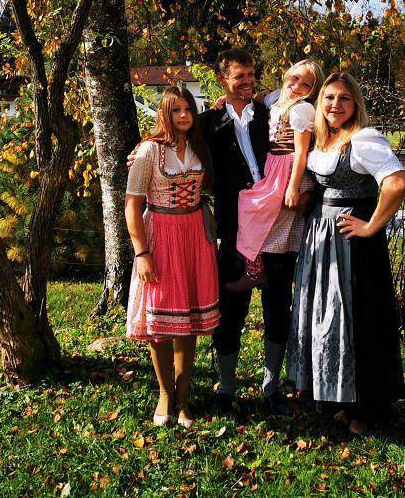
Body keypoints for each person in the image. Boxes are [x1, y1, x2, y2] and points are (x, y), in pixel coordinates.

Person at [287, 72, 405, 435]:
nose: (335, 105)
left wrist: (371, 226)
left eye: (343, 99)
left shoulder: (364, 139)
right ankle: (340, 400)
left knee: (357, 318)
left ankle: (367, 407)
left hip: (352, 245)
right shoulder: (326, 140)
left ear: (356, 104)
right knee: (330, 317)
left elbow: (397, 182)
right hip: (320, 240)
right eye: (328, 98)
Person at [198, 49, 302, 418]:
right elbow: (176, 140)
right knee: (231, 309)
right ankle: (226, 387)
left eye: (252, 74)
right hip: (233, 226)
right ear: (222, 79)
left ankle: (271, 387)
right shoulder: (207, 123)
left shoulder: (270, 112)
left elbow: (305, 108)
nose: (248, 81)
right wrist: (143, 151)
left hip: (278, 222)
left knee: (277, 306)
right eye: (239, 76)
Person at [125, 86, 219, 428]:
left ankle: (183, 399)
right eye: (176, 110)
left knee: (188, 321)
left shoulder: (199, 147)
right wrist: (141, 252)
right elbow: (132, 205)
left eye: (188, 109)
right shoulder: (149, 151)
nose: (183, 116)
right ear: (164, 114)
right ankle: (165, 393)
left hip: (195, 235)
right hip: (161, 235)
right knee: (161, 324)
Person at [228, 59, 323, 292]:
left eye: (306, 84)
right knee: (250, 207)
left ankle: (263, 271)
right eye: (295, 77)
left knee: (258, 211)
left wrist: (293, 187)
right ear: (287, 75)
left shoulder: (302, 109)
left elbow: (301, 152)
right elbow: (260, 97)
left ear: (313, 91)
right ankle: (256, 269)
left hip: (288, 168)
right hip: (274, 166)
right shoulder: (277, 98)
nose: (297, 85)